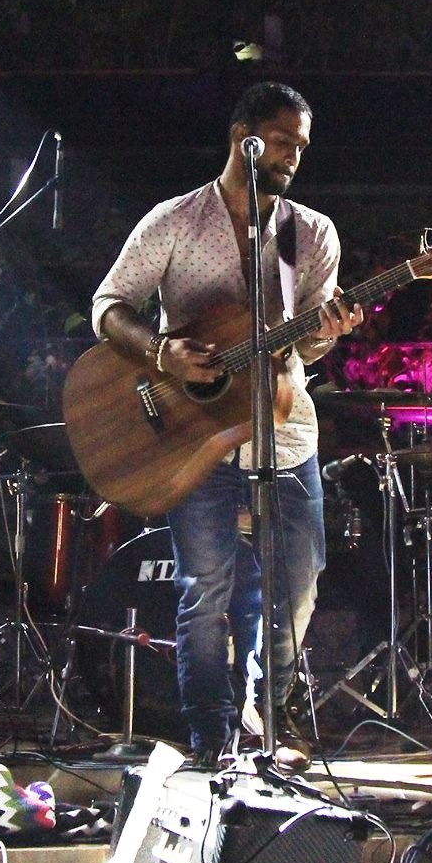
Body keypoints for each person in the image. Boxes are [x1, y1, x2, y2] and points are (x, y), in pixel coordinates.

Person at [91, 82, 362, 770]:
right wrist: (162, 353)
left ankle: (269, 715)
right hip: (193, 435)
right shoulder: (175, 220)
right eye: (282, 140)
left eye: (302, 146)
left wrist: (328, 332)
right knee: (203, 590)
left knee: (297, 585)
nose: (293, 156)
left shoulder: (311, 233)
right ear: (244, 136)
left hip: (285, 432)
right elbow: (108, 305)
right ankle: (212, 737)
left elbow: (308, 346)